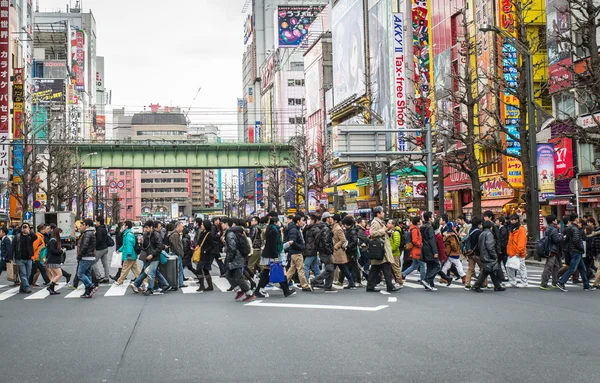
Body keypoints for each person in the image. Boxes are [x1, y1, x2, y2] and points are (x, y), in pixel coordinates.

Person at [253, 212, 295, 298]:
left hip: (269, 254)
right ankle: (286, 291)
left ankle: (258, 290)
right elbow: (273, 244)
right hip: (272, 255)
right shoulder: (274, 231)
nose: (280, 224)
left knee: (267, 273)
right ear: (275, 223)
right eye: (279, 222)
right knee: (277, 271)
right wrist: (275, 256)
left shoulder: (271, 229)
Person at [130, 221, 170, 296]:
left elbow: (159, 247)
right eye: (145, 228)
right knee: (152, 272)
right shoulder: (145, 234)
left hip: (155, 257)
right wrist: (142, 242)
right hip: (147, 256)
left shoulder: (156, 235)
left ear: (151, 227)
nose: (145, 229)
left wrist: (152, 254)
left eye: (147, 228)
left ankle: (150, 289)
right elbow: (145, 247)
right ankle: (165, 284)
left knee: (151, 273)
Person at [366, 207, 400, 293]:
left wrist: (387, 231)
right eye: (382, 212)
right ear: (378, 214)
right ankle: (390, 286)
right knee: (385, 267)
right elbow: (372, 233)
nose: (384, 213)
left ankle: (371, 286)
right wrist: (384, 230)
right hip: (381, 249)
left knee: (376, 269)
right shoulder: (375, 222)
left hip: (382, 249)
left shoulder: (379, 222)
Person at [222, 218, 256, 302]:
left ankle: (249, 293)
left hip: (235, 257)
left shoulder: (230, 234)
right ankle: (239, 291)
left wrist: (229, 258)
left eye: (222, 223)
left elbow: (232, 248)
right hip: (237, 257)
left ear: (226, 224)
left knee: (238, 277)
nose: (221, 225)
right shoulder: (231, 232)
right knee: (228, 274)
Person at [557, 215, 591, 292]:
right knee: (572, 268)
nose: (579, 219)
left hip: (572, 250)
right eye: (578, 218)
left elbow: (567, 240)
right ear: (576, 219)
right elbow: (576, 241)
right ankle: (561, 282)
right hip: (576, 251)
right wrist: (581, 248)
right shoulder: (575, 229)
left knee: (582, 269)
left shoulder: (570, 228)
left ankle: (586, 285)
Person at [471, 221, 505, 292]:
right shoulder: (489, 234)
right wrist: (494, 255)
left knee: (490, 270)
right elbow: (490, 246)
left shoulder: (482, 233)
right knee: (487, 270)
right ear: (491, 227)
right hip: (488, 255)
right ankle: (476, 285)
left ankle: (497, 286)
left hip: (483, 254)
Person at [309, 212, 338, 293]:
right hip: (325, 252)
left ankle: (328, 286)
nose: (331, 219)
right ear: (327, 218)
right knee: (329, 268)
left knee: (331, 268)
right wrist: (329, 251)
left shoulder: (323, 227)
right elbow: (325, 242)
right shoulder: (326, 229)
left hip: (324, 251)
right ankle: (314, 281)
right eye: (330, 217)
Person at [284, 215, 311, 291]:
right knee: (300, 269)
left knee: (292, 269)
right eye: (302, 220)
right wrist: (301, 247)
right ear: (298, 221)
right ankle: (304, 285)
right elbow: (292, 242)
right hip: (297, 252)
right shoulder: (294, 230)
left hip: (294, 252)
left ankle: (284, 283)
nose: (303, 222)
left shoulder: (295, 229)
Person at [332, 214, 355, 290]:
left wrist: (336, 246)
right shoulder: (335, 228)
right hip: (337, 252)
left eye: (332, 219)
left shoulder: (338, 229)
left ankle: (320, 282)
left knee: (331, 268)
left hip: (338, 251)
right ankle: (351, 282)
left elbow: (343, 240)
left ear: (335, 220)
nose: (330, 220)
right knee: (343, 268)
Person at [114, 221, 141, 286]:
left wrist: (129, 254)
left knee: (124, 269)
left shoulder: (128, 234)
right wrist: (120, 250)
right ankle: (143, 280)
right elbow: (125, 245)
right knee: (136, 270)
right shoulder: (127, 233)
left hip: (129, 255)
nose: (123, 226)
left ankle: (120, 281)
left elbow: (129, 245)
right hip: (131, 254)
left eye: (124, 225)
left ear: (127, 226)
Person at [77, 219, 98, 298]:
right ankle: (88, 292)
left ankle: (91, 286)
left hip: (86, 256)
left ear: (87, 225)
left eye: (84, 224)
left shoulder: (87, 233)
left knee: (80, 274)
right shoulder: (92, 232)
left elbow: (84, 245)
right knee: (88, 274)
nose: (83, 226)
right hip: (91, 256)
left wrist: (80, 255)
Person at [506, 213, 528, 288]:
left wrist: (518, 251)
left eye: (513, 220)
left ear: (517, 220)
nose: (512, 221)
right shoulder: (512, 229)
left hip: (517, 252)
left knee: (520, 268)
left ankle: (524, 282)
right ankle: (513, 281)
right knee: (509, 267)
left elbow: (521, 242)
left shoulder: (521, 229)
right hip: (512, 252)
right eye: (511, 220)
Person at [420, 212, 441, 291]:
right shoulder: (430, 227)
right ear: (429, 218)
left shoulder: (422, 227)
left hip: (424, 248)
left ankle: (429, 285)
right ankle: (427, 280)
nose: (433, 218)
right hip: (430, 249)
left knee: (430, 266)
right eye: (432, 217)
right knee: (437, 265)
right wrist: (435, 252)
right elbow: (432, 240)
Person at [464, 217, 486, 290]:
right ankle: (484, 283)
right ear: (479, 224)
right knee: (483, 269)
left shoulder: (471, 230)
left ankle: (467, 283)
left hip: (470, 252)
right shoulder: (478, 232)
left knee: (470, 269)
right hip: (477, 253)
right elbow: (480, 243)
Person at [402, 216, 426, 282]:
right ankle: (423, 279)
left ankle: (403, 274)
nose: (421, 221)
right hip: (417, 249)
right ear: (418, 222)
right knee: (422, 265)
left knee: (414, 265)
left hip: (415, 249)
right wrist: (420, 244)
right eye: (420, 220)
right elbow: (415, 240)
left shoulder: (413, 228)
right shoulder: (415, 229)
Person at [341, 215, 363, 286]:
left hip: (352, 251)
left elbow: (354, 241)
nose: (344, 226)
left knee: (354, 266)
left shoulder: (352, 231)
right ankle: (351, 280)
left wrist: (348, 246)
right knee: (349, 265)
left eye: (344, 224)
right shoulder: (350, 230)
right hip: (350, 251)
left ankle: (357, 280)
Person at [195, 220, 215, 292]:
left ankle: (202, 285)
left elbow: (212, 245)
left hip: (206, 255)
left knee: (199, 268)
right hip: (201, 253)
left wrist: (205, 250)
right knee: (205, 269)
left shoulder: (209, 234)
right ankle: (210, 286)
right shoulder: (202, 233)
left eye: (203, 224)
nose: (202, 225)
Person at [13, 223, 34, 294]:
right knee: (23, 274)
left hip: (29, 258)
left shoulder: (30, 236)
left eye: (26, 227)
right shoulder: (17, 236)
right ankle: (27, 287)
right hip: (20, 259)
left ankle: (22, 288)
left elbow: (35, 237)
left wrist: (29, 232)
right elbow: (12, 247)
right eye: (23, 227)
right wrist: (10, 258)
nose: (25, 228)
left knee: (28, 274)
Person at [45, 227, 65, 295]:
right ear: (57, 233)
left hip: (53, 260)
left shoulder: (53, 240)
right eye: (60, 232)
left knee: (54, 276)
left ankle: (52, 289)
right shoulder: (53, 240)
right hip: (53, 260)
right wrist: (61, 251)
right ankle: (50, 287)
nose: (61, 234)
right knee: (59, 274)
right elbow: (52, 250)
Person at [303, 214, 322, 281]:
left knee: (306, 265)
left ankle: (305, 281)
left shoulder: (315, 229)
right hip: (310, 249)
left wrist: (312, 247)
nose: (308, 220)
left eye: (309, 219)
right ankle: (320, 280)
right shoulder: (310, 228)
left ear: (313, 220)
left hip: (311, 250)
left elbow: (317, 241)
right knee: (315, 266)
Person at [168, 222, 186, 290]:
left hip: (178, 254)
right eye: (182, 227)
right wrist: (179, 253)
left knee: (180, 269)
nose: (182, 228)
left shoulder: (176, 234)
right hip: (176, 254)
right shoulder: (175, 234)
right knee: (177, 270)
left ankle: (180, 283)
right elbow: (175, 246)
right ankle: (176, 283)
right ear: (178, 227)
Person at [93, 217, 111, 284]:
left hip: (100, 248)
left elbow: (99, 239)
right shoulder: (104, 228)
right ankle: (106, 278)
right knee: (105, 264)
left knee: (93, 262)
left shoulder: (99, 229)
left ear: (99, 222)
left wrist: (94, 246)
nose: (96, 223)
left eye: (96, 221)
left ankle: (98, 277)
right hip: (105, 248)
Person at [388, 219, 405, 287]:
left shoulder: (396, 232)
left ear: (393, 225)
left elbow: (396, 244)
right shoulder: (392, 232)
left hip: (395, 253)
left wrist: (390, 249)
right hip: (392, 252)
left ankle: (399, 281)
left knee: (396, 268)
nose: (387, 224)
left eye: (389, 223)